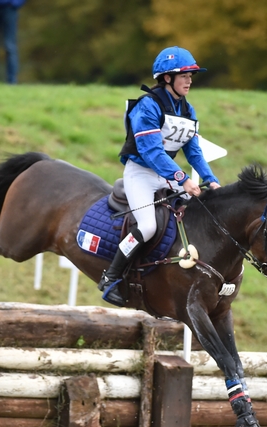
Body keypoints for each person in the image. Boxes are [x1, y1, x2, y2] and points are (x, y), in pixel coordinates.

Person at [98, 46, 221, 307]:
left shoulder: (188, 110)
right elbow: (151, 152)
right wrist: (181, 178)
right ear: (167, 78)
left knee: (202, 209)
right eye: (184, 75)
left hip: (167, 175)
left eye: (191, 76)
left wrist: (211, 180)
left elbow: (194, 152)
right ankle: (111, 276)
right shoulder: (148, 106)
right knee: (148, 226)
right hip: (141, 173)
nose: (189, 80)